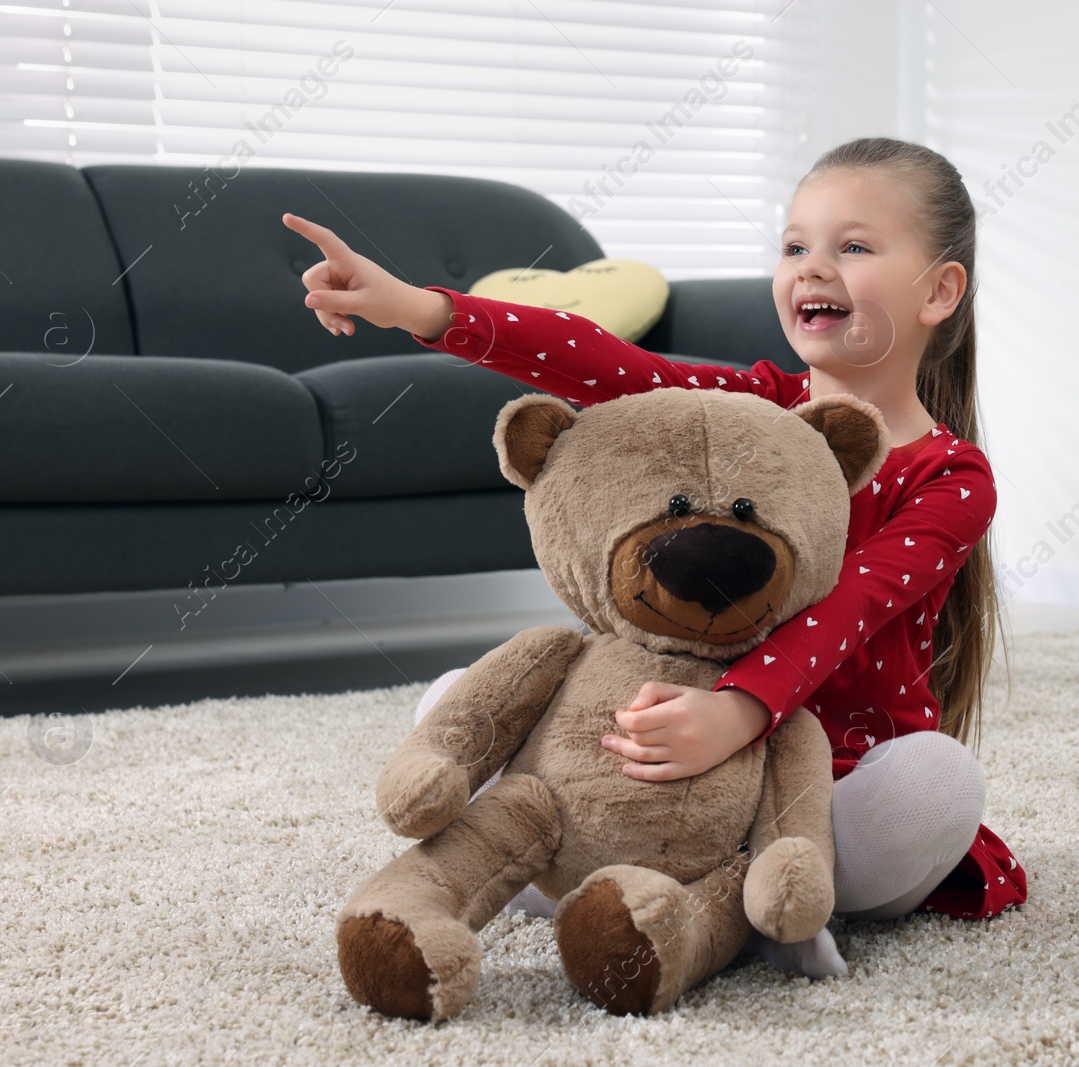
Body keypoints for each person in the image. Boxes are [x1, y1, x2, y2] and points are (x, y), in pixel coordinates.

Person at [282, 135, 1026, 979]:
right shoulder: (754, 408)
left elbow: (847, 607)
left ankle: (725, 889)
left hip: (817, 780)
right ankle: (643, 877)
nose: (811, 267)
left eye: (852, 246)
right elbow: (610, 367)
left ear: (939, 291)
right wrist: (424, 310)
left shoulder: (951, 476)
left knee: (939, 783)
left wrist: (737, 714)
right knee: (456, 701)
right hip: (662, 760)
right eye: (793, 245)